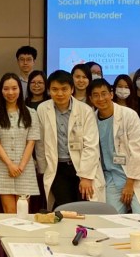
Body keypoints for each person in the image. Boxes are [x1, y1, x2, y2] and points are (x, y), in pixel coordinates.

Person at [35, 70, 103, 211]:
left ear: (72, 89)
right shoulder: (42, 109)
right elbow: (40, 143)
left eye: (64, 89)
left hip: (81, 166)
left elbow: (91, 145)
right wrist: (44, 170)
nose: (60, 94)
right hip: (57, 169)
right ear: (49, 91)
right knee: (65, 208)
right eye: (55, 89)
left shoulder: (85, 110)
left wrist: (86, 177)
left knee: (85, 208)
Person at [88, 79, 140, 214]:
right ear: (90, 99)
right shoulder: (91, 119)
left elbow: (138, 151)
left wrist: (130, 184)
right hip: (112, 177)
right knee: (112, 218)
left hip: (136, 177)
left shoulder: (129, 115)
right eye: (96, 95)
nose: (101, 98)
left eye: (104, 94)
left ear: (111, 94)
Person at [0, 73, 41, 212]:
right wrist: (10, 165)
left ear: (20, 89)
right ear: (1, 91)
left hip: (25, 168)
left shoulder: (31, 113)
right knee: (9, 212)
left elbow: (31, 142)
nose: (10, 93)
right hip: (3, 168)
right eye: (6, 89)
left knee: (23, 212)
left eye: (14, 88)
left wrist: (20, 167)